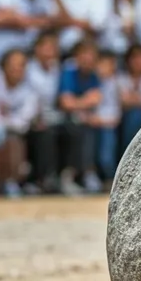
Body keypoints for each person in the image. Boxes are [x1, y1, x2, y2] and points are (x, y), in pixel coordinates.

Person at [0, 48, 38, 198]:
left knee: (13, 139)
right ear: (4, 66)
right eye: (13, 64)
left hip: (15, 131)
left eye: (21, 65)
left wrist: (6, 122)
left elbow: (23, 121)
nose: (17, 69)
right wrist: (3, 123)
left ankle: (13, 181)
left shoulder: (31, 87)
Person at [57, 40, 102, 195]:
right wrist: (85, 102)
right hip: (59, 118)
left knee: (94, 128)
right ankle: (70, 175)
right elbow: (65, 103)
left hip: (84, 119)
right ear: (77, 57)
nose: (88, 60)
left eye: (91, 57)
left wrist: (78, 104)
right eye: (84, 56)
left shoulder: (94, 76)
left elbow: (96, 99)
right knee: (76, 128)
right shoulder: (68, 72)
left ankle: (89, 173)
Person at [25, 34, 65, 194]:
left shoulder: (58, 69)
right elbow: (28, 97)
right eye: (46, 48)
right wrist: (36, 117)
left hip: (54, 115)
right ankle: (40, 178)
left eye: (52, 48)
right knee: (45, 134)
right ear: (37, 49)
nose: (49, 52)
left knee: (72, 129)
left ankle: (64, 176)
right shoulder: (28, 69)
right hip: (31, 116)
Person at [92, 51, 123, 182]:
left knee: (106, 153)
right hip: (95, 122)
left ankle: (109, 176)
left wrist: (106, 120)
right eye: (101, 65)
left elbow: (117, 108)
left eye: (107, 65)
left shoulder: (116, 84)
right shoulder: (94, 82)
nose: (103, 69)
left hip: (108, 122)